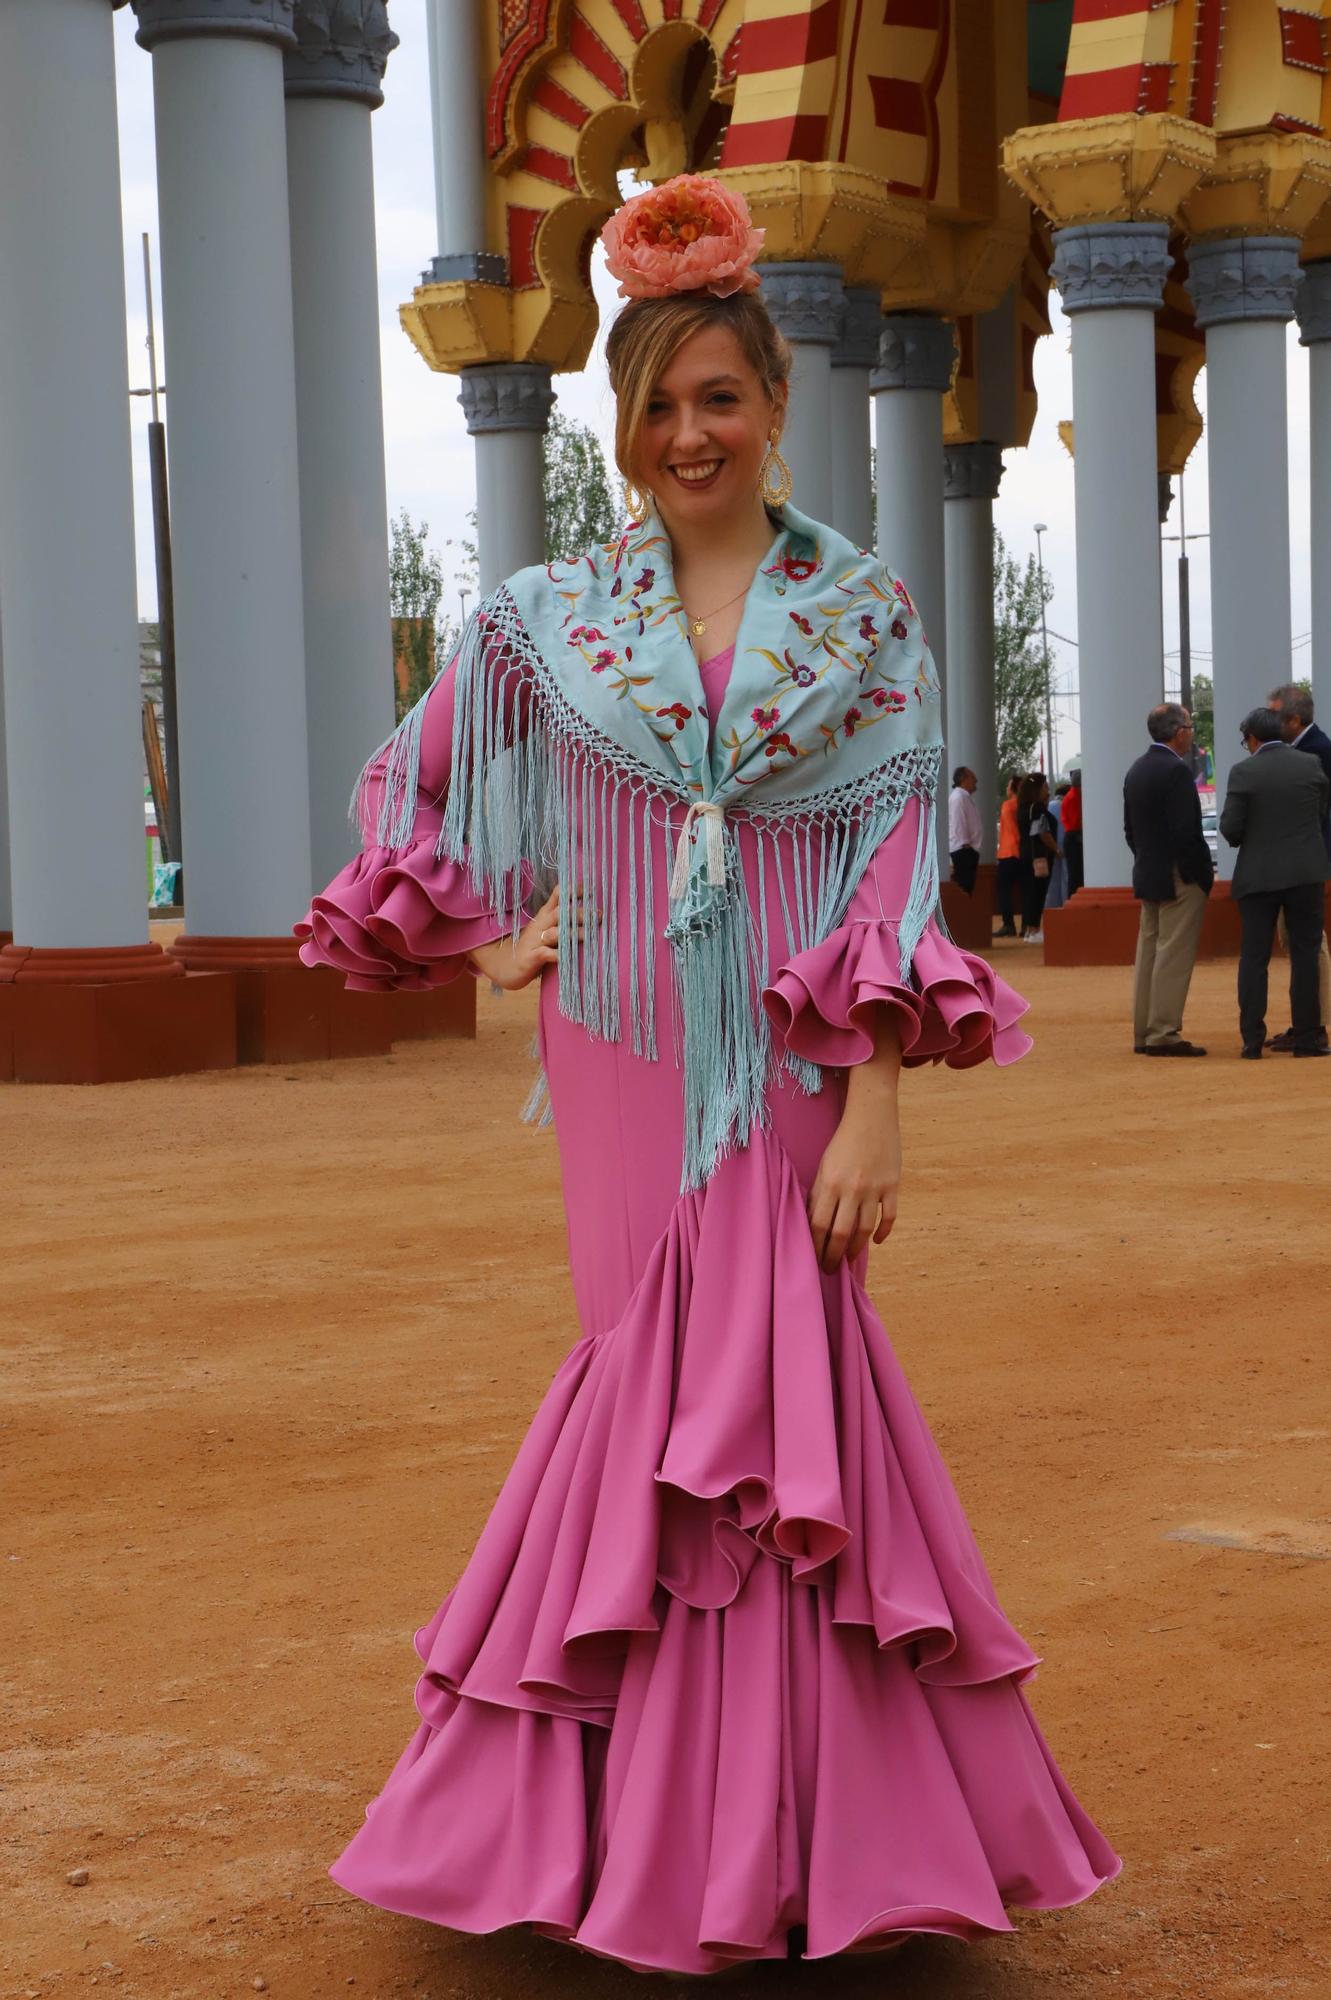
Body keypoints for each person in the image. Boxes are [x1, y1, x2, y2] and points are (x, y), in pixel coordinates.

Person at [296, 174, 1118, 1976]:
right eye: (658, 403)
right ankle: (624, 1829)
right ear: (620, 421)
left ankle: (795, 1841)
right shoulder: (543, 619)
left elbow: (901, 859)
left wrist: (883, 1089)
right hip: (622, 1051)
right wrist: (483, 928)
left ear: (776, 407)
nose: (690, 433)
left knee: (787, 1383)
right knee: (644, 1381)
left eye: (720, 397)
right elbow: (406, 786)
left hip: (804, 1055)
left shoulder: (866, 617)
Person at [1220, 705, 1331, 1058]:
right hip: (1306, 873)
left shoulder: (1243, 772)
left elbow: (1231, 829)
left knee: (1254, 958)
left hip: (1258, 876)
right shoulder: (1310, 765)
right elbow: (1320, 813)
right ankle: (1308, 1038)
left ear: (1253, 738)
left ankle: (1252, 1040)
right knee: (1306, 954)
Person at [1122, 703, 1214, 1056]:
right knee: (1174, 954)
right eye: (1190, 726)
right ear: (1179, 732)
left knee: (1149, 951)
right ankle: (1164, 1032)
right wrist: (1202, 875)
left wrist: (1147, 858)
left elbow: (1130, 830)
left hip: (1149, 870)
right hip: (1180, 874)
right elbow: (1186, 832)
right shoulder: (1176, 771)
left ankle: (1144, 1031)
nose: (1191, 733)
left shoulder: (1137, 769)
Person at [1266, 683, 1331, 1051]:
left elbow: (1318, 814)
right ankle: (1305, 1022)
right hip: (1296, 862)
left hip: (1307, 863)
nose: (1268, 720)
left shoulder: (1319, 751)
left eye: (1274, 714)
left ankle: (1316, 1024)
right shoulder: (1304, 749)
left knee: (1311, 943)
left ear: (1294, 718)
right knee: (1297, 943)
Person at [1017, 771, 1057, 941]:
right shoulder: (1038, 807)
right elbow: (1042, 832)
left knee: (1029, 892)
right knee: (1038, 891)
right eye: (1045, 787)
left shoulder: (1022, 807)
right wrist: (1056, 849)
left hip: (1025, 853)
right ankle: (1034, 929)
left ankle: (1028, 929)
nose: (1047, 790)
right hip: (1039, 856)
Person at [947, 763, 983, 894]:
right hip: (963, 850)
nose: (975, 780)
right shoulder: (958, 797)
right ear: (964, 779)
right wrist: (965, 844)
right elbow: (958, 821)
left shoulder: (963, 797)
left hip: (967, 850)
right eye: (972, 777)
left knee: (967, 887)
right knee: (963, 888)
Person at [995, 773, 1022, 936]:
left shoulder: (1008, 805)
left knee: (1004, 891)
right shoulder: (1024, 804)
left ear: (1013, 788)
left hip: (1007, 852)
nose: (1006, 788)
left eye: (1009, 785)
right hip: (1021, 852)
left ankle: (1008, 924)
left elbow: (1012, 829)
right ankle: (1027, 926)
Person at [1044, 779, 1071, 913]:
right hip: (1066, 846)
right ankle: (1065, 906)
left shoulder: (1049, 806)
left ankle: (1051, 908)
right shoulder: (1066, 804)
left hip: (1051, 846)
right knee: (1066, 878)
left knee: (1053, 880)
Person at [1062, 768, 1084, 896]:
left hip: (1074, 837)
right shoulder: (1073, 798)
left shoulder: (1073, 796)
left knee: (1077, 873)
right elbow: (1077, 822)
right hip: (1074, 838)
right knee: (1075, 874)